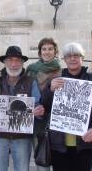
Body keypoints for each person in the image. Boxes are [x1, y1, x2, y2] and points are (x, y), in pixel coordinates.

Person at [0, 45, 45, 171]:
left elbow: (37, 104)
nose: (14, 64)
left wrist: (39, 111)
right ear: (5, 62)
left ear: (22, 63)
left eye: (17, 60)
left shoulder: (31, 82)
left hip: (22, 137)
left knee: (22, 169)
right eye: (10, 60)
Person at [41, 42, 92, 171]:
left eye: (76, 55)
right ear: (64, 59)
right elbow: (45, 107)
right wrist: (50, 89)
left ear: (82, 58)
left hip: (85, 143)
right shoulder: (56, 80)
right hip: (59, 144)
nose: (72, 59)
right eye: (68, 56)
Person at [26, 38, 61, 171]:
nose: (47, 52)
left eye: (50, 49)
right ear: (40, 52)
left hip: (54, 119)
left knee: (57, 159)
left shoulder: (60, 70)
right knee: (41, 158)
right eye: (44, 49)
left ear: (55, 51)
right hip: (35, 120)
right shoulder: (31, 69)